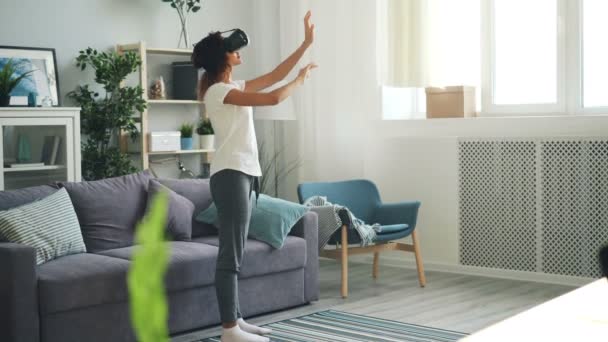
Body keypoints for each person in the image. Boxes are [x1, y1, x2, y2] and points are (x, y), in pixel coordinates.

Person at [191, 11, 317, 342]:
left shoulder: (232, 86)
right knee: (230, 253)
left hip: (244, 173)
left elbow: (275, 75)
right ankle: (229, 330)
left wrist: (305, 44)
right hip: (230, 174)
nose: (238, 51)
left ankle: (235, 320)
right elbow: (273, 97)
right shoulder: (218, 92)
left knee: (237, 252)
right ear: (222, 57)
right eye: (231, 48)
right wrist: (300, 81)